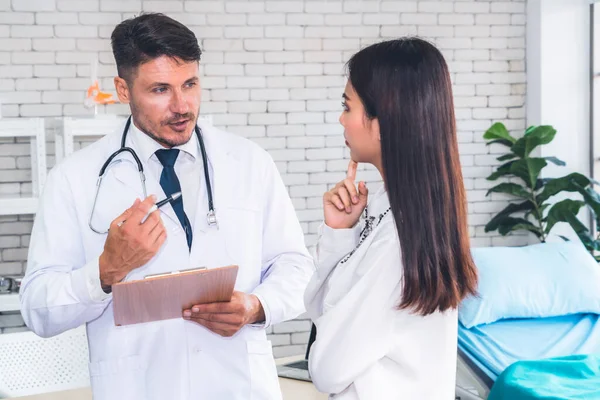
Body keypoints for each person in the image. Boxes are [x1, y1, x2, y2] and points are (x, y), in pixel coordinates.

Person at [20, 13, 314, 400]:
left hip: (239, 385)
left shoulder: (249, 162)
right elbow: (38, 310)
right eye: (160, 89)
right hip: (141, 388)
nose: (182, 105)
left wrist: (258, 305)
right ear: (123, 90)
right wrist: (106, 272)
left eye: (190, 84)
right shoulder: (74, 180)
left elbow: (296, 267)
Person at [304, 38, 479, 399]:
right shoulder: (402, 215)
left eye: (347, 107)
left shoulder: (396, 242)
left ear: (383, 121)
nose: (341, 118)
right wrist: (339, 235)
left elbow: (325, 367)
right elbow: (318, 310)